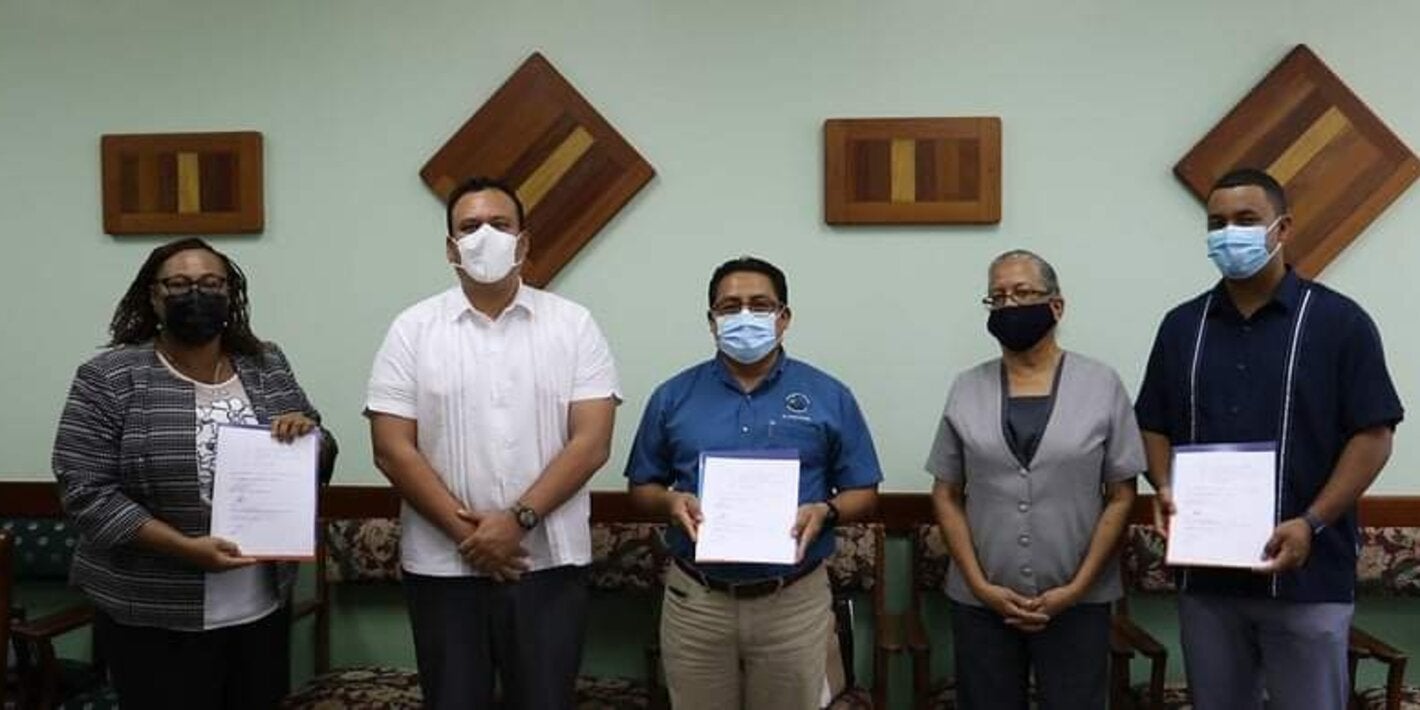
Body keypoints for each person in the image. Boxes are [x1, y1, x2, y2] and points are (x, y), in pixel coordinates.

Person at [1135, 168, 1403, 709]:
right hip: (1209, 581)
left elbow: (1374, 434)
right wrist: (1163, 485)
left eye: (1245, 220)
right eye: (1216, 223)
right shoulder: (1182, 327)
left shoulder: (1339, 322)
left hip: (1309, 576)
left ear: (1282, 229)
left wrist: (1312, 522)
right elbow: (1153, 422)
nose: (1228, 233)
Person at [365, 176, 620, 709]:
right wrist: (475, 538)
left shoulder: (574, 325)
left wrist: (516, 521)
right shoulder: (411, 329)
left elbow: (591, 442)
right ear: (451, 248)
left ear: (523, 242)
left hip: (547, 565)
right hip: (443, 567)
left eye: (500, 225)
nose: (485, 236)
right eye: (469, 226)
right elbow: (392, 447)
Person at [52, 237, 336, 709]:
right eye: (179, 284)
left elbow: (317, 448)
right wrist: (184, 548)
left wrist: (309, 436)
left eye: (210, 283)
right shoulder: (110, 377)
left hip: (259, 606)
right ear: (154, 295)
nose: (196, 295)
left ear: (230, 293)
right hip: (151, 611)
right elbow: (85, 490)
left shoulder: (265, 364)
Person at [624, 256, 882, 710]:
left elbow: (864, 491)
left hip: (793, 600)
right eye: (730, 306)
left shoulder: (829, 395)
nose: (745, 316)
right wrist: (670, 502)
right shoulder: (672, 396)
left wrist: (829, 511)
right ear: (711, 321)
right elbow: (641, 488)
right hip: (697, 601)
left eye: (760, 305)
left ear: (783, 318)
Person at [925, 249, 1141, 709]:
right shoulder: (967, 387)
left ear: (1056, 306)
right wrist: (981, 586)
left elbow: (1122, 495)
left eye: (1022, 294)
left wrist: (1078, 587)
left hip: (1078, 601)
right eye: (997, 297)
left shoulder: (1102, 385)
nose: (1009, 306)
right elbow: (945, 493)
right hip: (981, 601)